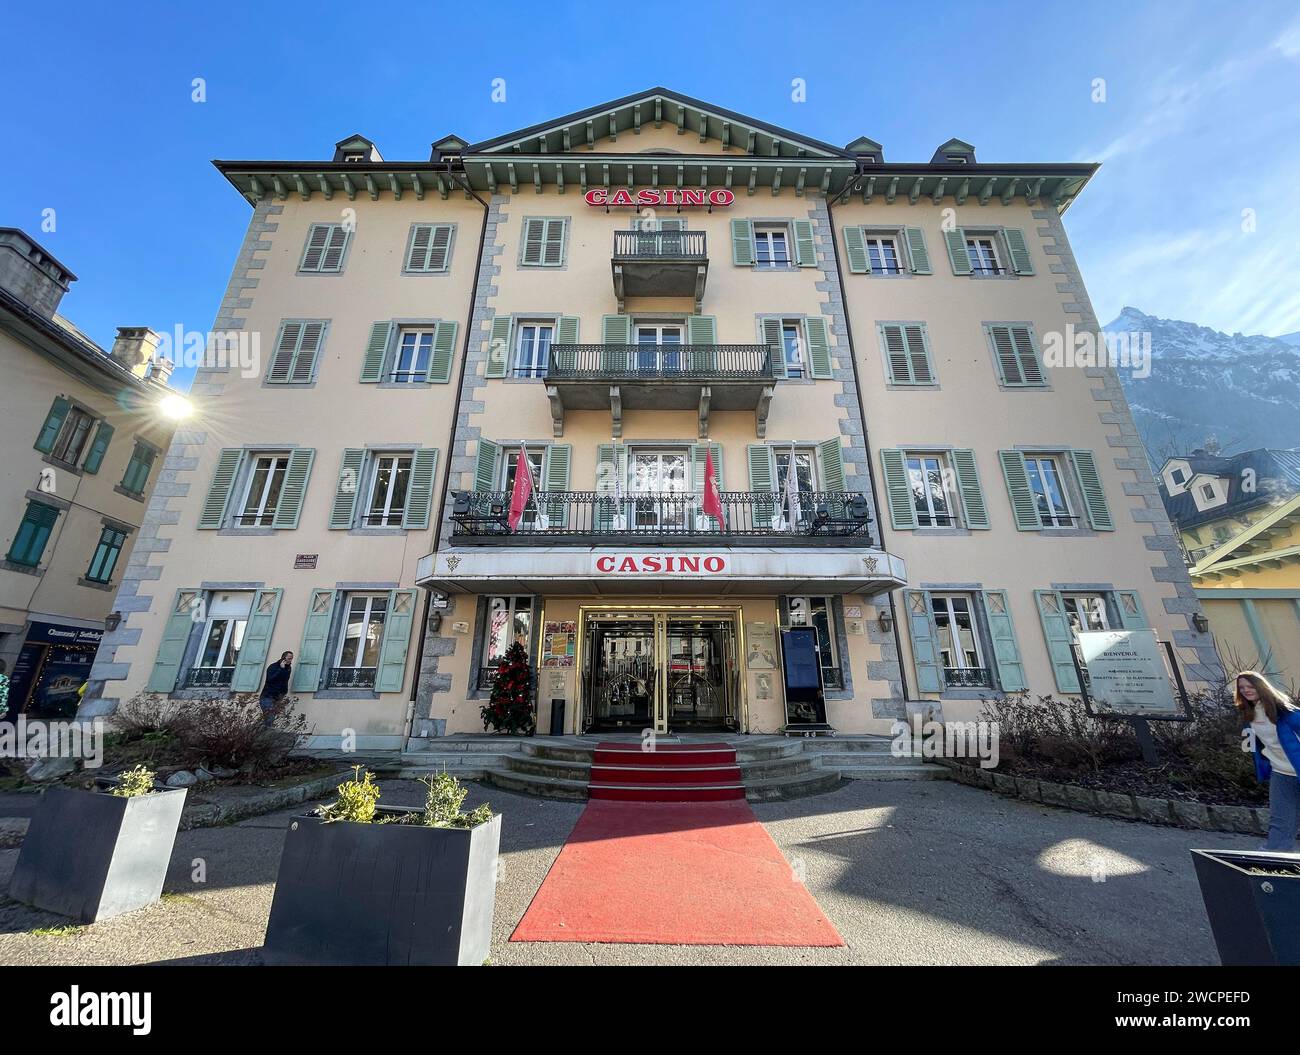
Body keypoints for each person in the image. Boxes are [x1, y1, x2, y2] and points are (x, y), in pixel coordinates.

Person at [1235, 670, 1300, 852]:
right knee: (1280, 820)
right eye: (1242, 688)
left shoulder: (1287, 713)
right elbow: (1255, 744)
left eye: (1250, 686)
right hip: (1281, 773)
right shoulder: (1250, 715)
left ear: (1261, 686)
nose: (1246, 690)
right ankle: (1276, 858)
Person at [260, 651, 293, 723]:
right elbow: (270, 679)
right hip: (268, 696)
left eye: (291, 659)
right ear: (284, 658)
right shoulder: (273, 667)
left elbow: (285, 681)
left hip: (278, 697)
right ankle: (264, 732)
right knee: (270, 717)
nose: (290, 660)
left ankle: (263, 731)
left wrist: (284, 692)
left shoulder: (288, 668)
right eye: (289, 658)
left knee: (271, 718)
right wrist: (281, 669)